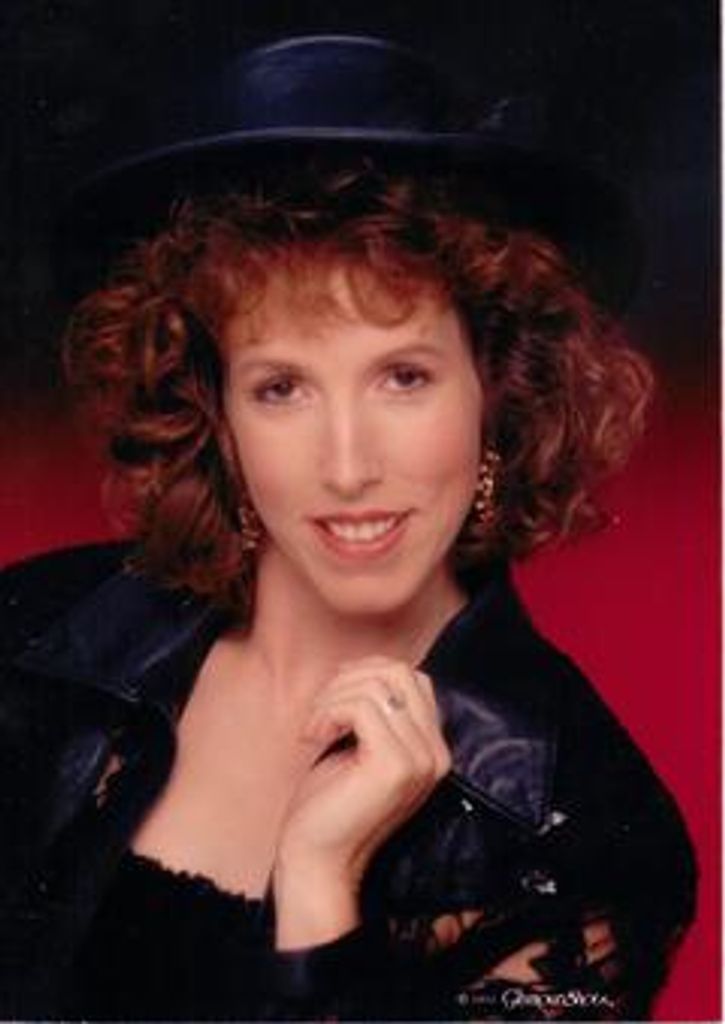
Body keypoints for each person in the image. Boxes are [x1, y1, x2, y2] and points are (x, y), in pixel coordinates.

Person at [0, 35, 695, 1021]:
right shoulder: (36, 634)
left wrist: (320, 885)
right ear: (214, 415)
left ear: (497, 391)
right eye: (280, 387)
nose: (346, 465)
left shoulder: (585, 830)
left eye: (402, 377)